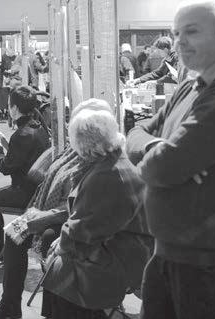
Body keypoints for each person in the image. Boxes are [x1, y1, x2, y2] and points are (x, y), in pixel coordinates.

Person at [126, 0, 215, 319]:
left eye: (191, 31)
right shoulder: (191, 87)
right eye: (176, 33)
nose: (180, 42)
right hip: (171, 253)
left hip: (207, 262)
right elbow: (135, 133)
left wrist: (161, 156)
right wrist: (156, 146)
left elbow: (161, 168)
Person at [0, 99, 110, 319]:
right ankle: (9, 305)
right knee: (14, 233)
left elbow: (77, 206)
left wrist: (40, 217)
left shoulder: (96, 159)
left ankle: (39, 309)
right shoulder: (74, 151)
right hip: (54, 210)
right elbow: (45, 178)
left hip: (72, 219)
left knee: (48, 239)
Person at [40, 107, 153, 319]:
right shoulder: (115, 161)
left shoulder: (106, 174)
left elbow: (82, 230)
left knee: (58, 272)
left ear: (84, 145)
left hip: (124, 254)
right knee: (58, 265)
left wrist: (61, 245)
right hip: (127, 246)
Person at [0, 86, 51, 266]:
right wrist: (3, 141)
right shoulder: (38, 128)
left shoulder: (22, 134)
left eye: (9, 105)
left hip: (25, 193)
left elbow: (5, 167)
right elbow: (19, 158)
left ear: (14, 108)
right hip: (36, 190)